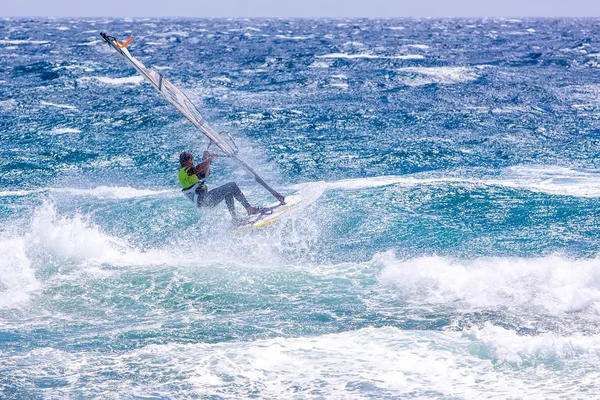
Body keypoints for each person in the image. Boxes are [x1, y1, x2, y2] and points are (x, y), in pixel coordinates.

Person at [178, 151, 262, 219]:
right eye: (192, 160)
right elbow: (198, 168)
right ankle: (249, 209)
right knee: (232, 186)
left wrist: (205, 159)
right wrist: (209, 159)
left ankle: (235, 219)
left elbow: (206, 174)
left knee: (228, 192)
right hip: (204, 200)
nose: (193, 163)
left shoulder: (189, 176)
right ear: (189, 160)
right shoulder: (183, 171)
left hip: (204, 201)